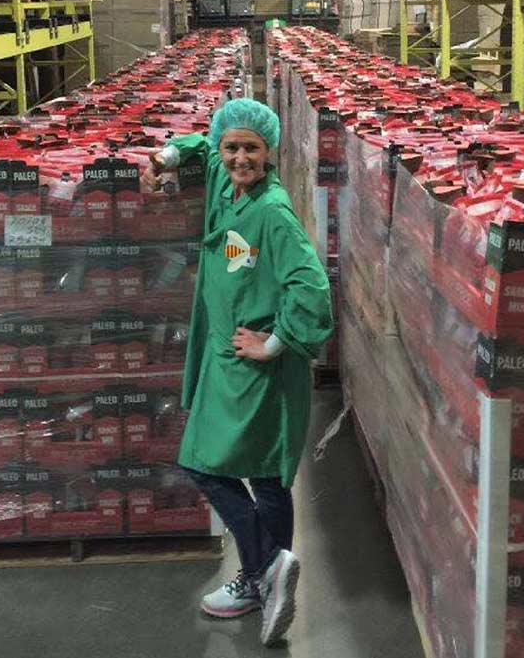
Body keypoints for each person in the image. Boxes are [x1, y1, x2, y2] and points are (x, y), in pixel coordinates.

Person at [145, 98, 334, 647]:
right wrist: (164, 156)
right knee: (266, 479)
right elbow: (198, 147)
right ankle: (265, 581)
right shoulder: (227, 189)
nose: (238, 157)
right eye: (233, 147)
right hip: (227, 359)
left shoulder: (270, 211)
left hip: (257, 369)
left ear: (269, 150)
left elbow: (312, 286)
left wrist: (276, 342)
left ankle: (265, 565)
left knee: (207, 463)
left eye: (250, 148)